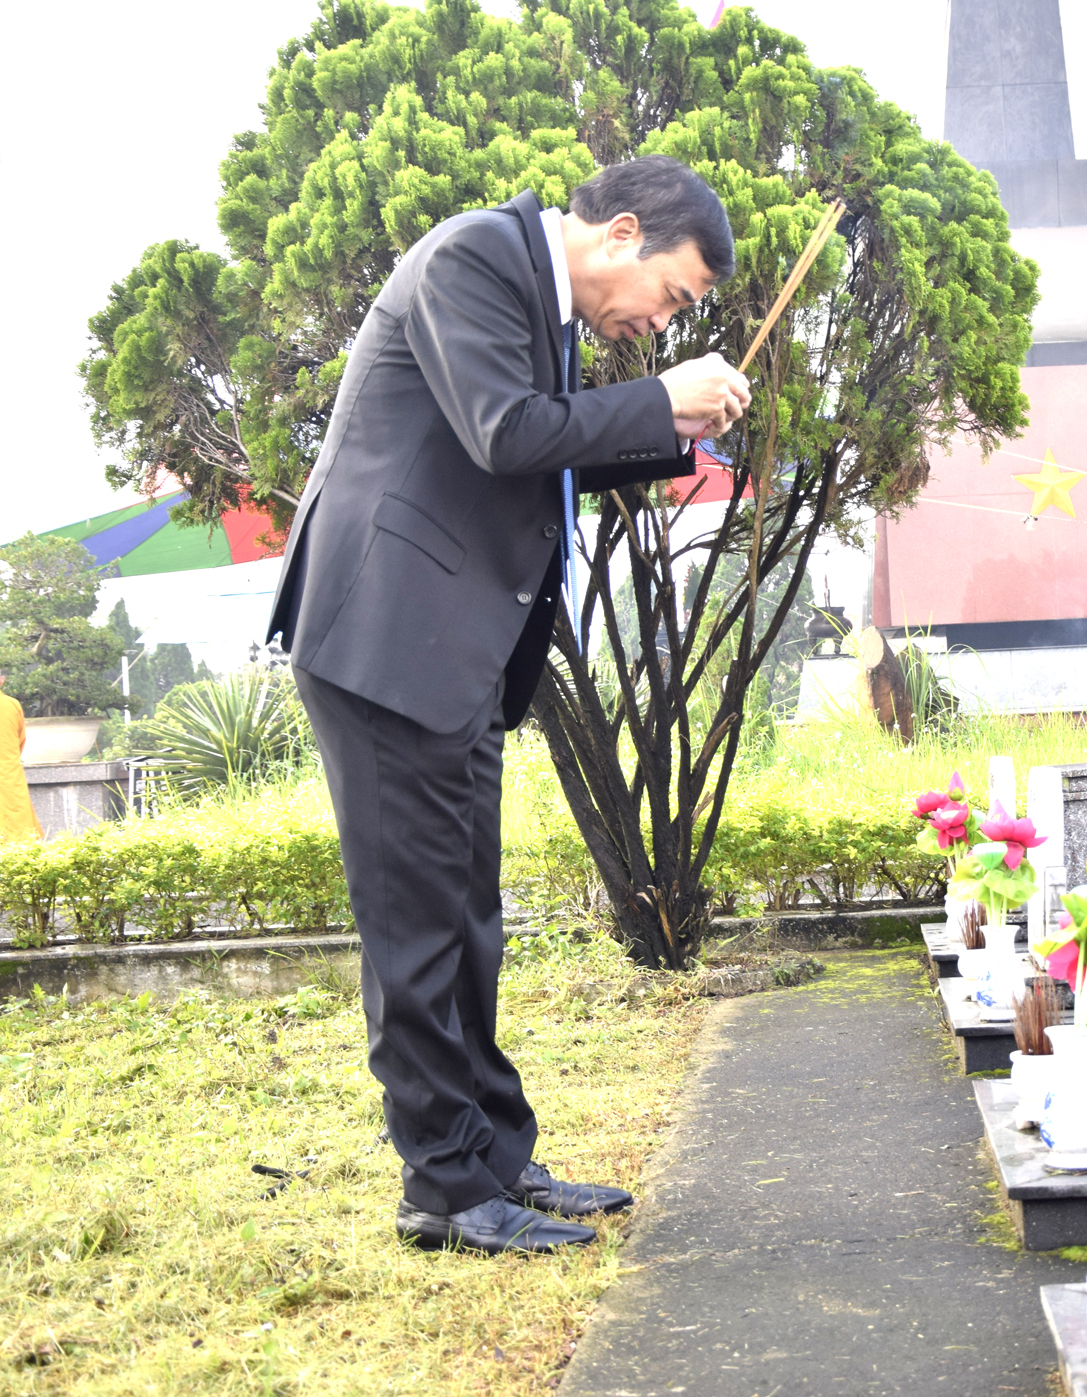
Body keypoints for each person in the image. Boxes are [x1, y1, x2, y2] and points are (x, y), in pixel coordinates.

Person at [266, 156, 752, 1256]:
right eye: (669, 295)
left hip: (449, 651)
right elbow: (504, 432)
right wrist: (656, 402)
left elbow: (540, 445)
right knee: (418, 930)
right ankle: (439, 1185)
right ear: (622, 232)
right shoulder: (473, 255)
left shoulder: (542, 303)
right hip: (384, 640)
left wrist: (670, 432)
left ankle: (491, 1156)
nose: (655, 323)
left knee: (466, 916)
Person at [0, 673, 42, 844]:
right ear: (2, 680)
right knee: (19, 835)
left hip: (9, 771)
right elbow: (20, 741)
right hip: (9, 774)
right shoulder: (11, 705)